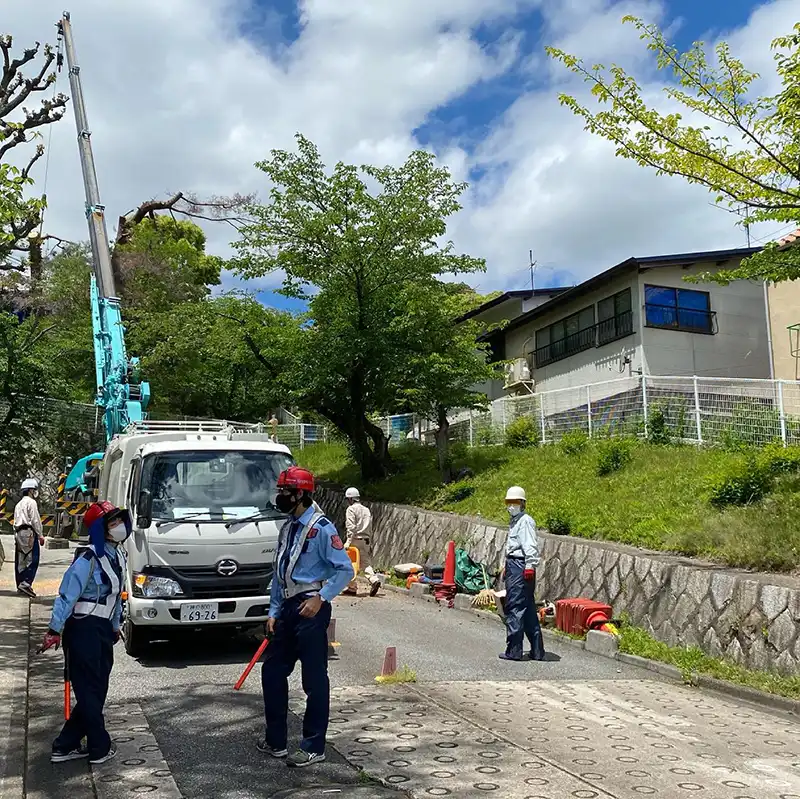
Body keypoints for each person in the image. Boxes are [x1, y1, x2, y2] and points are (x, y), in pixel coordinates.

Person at [259, 466, 353, 767]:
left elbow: (345, 570)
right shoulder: (288, 527)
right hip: (287, 606)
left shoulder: (322, 528)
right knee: (272, 672)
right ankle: (275, 741)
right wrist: (274, 610)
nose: (280, 497)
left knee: (314, 678)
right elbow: (279, 572)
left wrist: (321, 598)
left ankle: (313, 745)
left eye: (285, 492)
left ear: (300, 494)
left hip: (311, 606)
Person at [39, 500, 131, 765]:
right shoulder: (87, 559)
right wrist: (54, 630)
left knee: (97, 689)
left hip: (102, 630)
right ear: (101, 529)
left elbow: (116, 597)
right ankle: (99, 747)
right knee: (90, 689)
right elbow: (66, 596)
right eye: (112, 522)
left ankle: (65, 745)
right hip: (82, 630)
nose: (119, 526)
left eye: (119, 520)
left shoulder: (117, 556)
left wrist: (115, 627)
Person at [499, 486, 545, 662]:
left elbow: (529, 545)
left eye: (515, 502)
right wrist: (507, 565)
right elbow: (514, 546)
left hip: (520, 565)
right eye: (508, 502)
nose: (511, 506)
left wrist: (530, 565)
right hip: (515, 564)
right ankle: (537, 651)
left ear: (522, 503)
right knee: (528, 609)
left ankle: (514, 650)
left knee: (515, 607)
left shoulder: (525, 521)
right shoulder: (516, 521)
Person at [343, 487, 380, 597]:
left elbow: (351, 527)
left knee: (348, 563)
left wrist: (348, 541)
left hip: (355, 540)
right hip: (366, 540)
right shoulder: (366, 510)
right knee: (365, 563)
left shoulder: (351, 509)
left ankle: (352, 587)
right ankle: (374, 580)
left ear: (350, 499)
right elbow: (370, 527)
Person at [14, 478, 44, 598]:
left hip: (19, 533)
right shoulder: (31, 503)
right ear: (30, 490)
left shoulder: (18, 504)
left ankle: (20, 583)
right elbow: (35, 520)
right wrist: (40, 534)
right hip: (29, 533)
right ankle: (26, 583)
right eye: (34, 489)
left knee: (21, 559)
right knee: (33, 558)